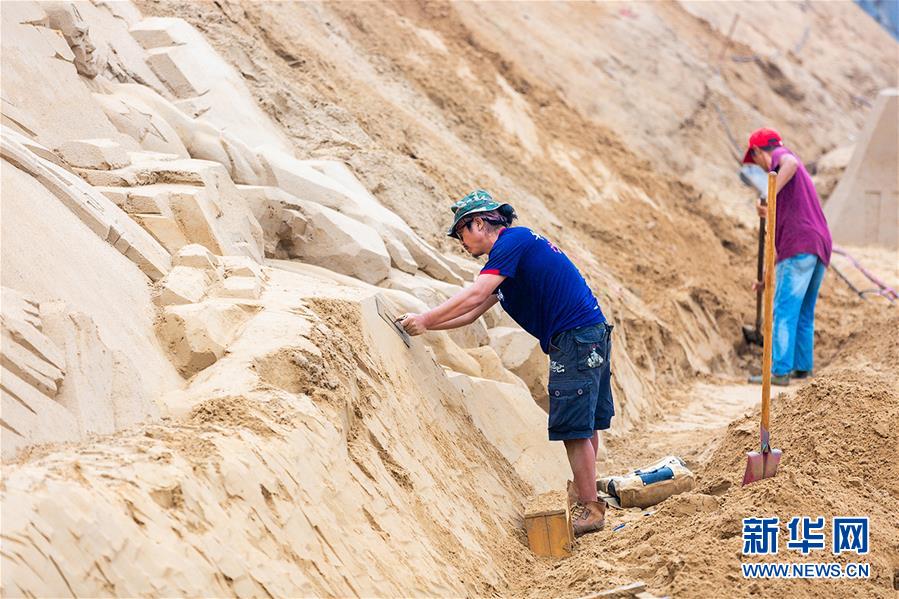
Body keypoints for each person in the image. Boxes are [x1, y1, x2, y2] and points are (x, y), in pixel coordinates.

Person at [400, 189, 613, 536]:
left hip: (576, 337)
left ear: (480, 222)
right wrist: (427, 325)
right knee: (586, 422)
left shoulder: (511, 242)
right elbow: (471, 314)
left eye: (461, 233)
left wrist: (426, 318)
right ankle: (587, 491)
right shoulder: (511, 256)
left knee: (574, 427)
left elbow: (476, 294)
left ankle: (590, 507)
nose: (460, 242)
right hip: (588, 333)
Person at [742, 128, 832, 385]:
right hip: (818, 244)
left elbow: (790, 161)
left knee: (783, 310)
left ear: (759, 152)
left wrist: (771, 196)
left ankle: (779, 372)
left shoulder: (781, 157)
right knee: (803, 310)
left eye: (757, 161)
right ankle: (802, 367)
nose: (761, 169)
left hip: (801, 246)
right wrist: (766, 279)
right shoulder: (792, 195)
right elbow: (779, 248)